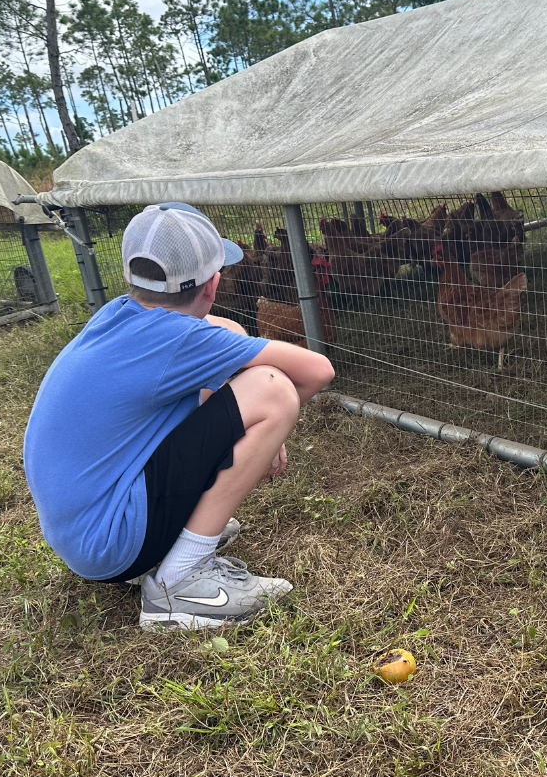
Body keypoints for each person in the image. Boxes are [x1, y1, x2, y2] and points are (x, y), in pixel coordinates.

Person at [24, 202, 335, 630]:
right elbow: (319, 371)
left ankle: (174, 541)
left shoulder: (117, 315)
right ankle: (179, 584)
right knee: (273, 390)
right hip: (114, 542)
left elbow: (223, 333)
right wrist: (269, 434)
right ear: (213, 285)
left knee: (231, 338)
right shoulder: (178, 340)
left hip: (85, 536)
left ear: (132, 278)